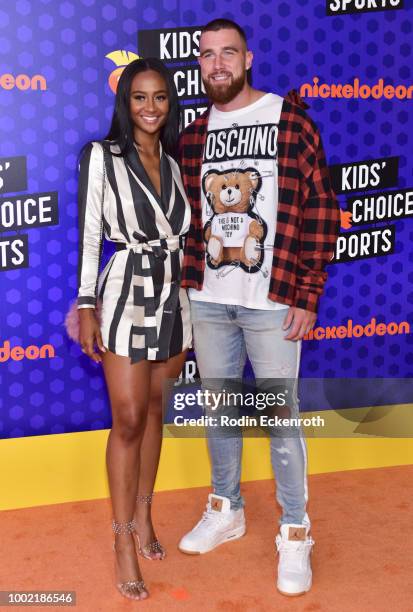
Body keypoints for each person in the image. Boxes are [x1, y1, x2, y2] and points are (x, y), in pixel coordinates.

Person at [177, 19, 340, 597]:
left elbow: (321, 203)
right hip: (208, 299)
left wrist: (308, 291)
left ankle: (295, 531)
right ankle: (227, 508)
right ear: (199, 64)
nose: (217, 64)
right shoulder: (192, 136)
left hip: (272, 304)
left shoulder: (287, 118)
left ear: (248, 59)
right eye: (206, 56)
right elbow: (185, 225)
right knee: (219, 411)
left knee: (278, 419)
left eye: (228, 54)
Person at [76, 58, 191, 601]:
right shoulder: (101, 156)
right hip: (125, 292)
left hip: (172, 295)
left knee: (153, 412)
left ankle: (145, 516)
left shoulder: (172, 160)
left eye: (161, 97)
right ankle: (122, 540)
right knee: (126, 419)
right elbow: (90, 237)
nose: (151, 107)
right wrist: (85, 304)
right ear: (125, 102)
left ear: (171, 103)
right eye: (140, 97)